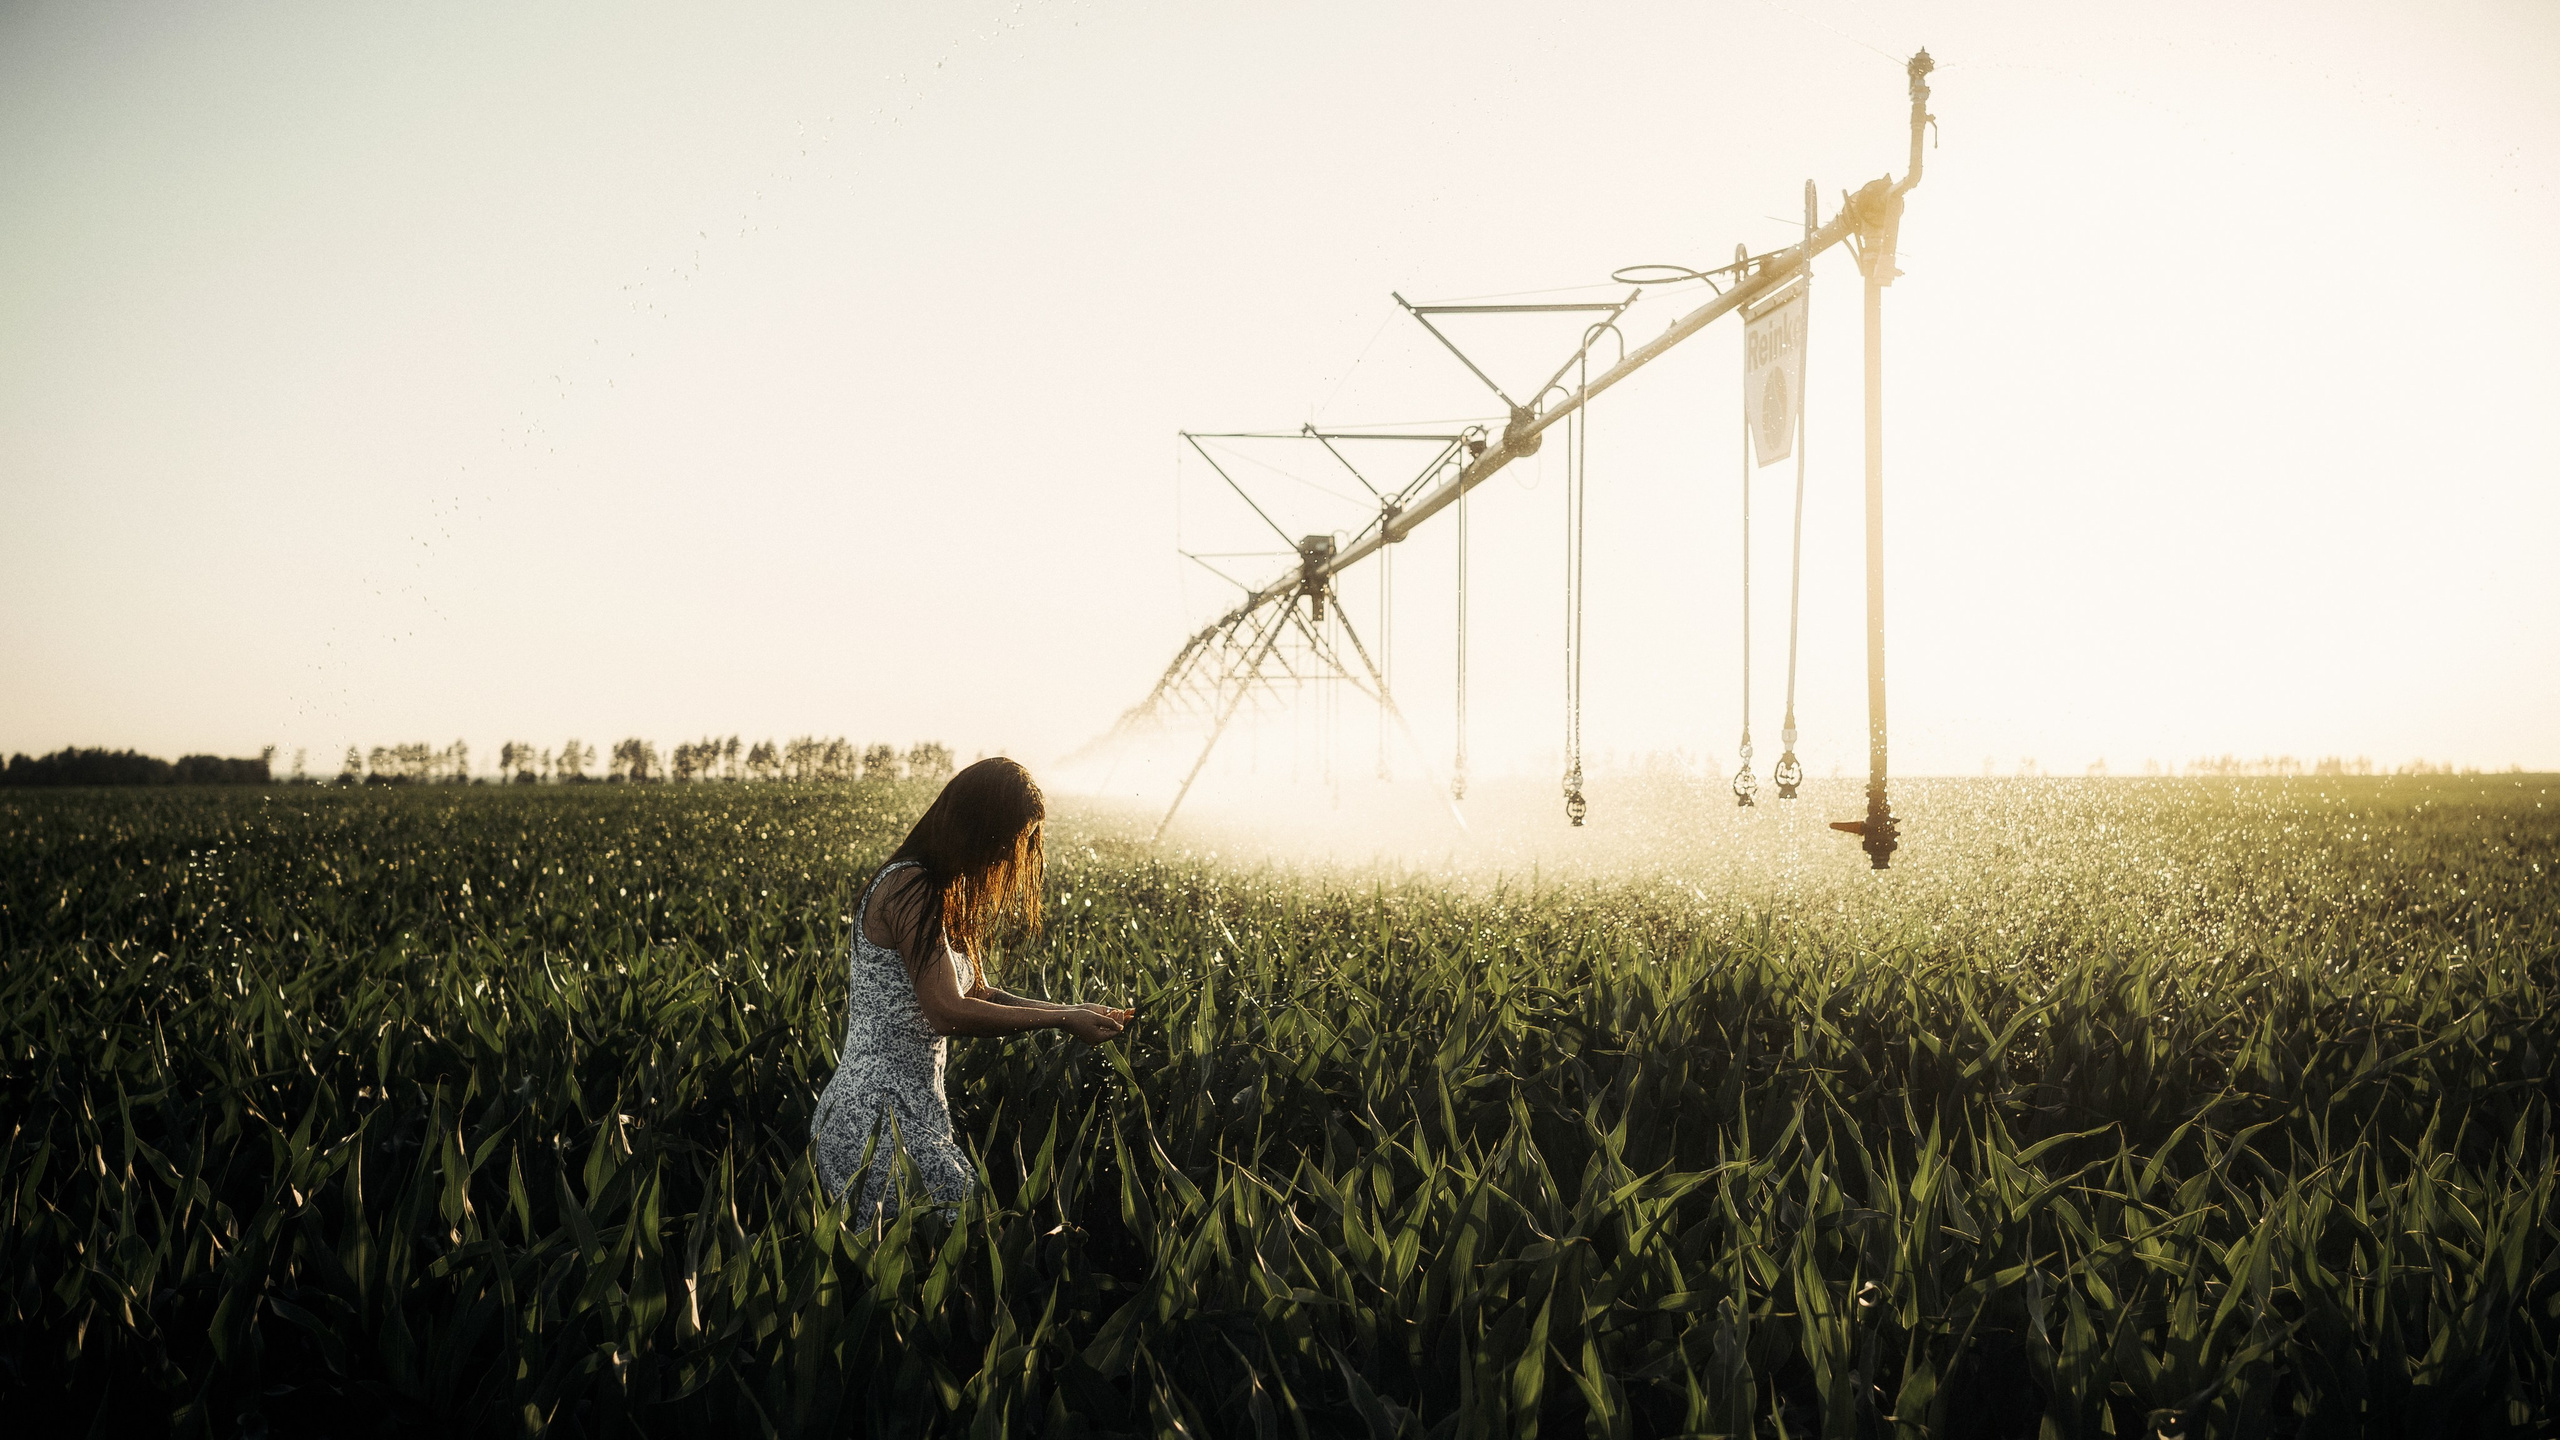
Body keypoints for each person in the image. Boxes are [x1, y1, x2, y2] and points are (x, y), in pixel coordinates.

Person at [810, 757, 1130, 1213]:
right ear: (977, 825)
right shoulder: (910, 886)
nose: (1007, 856)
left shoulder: (941, 890)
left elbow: (977, 993)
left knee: (944, 1251)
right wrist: (1062, 1019)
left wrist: (1075, 1009)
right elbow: (947, 1010)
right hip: (875, 1112)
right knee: (965, 1236)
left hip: (911, 1107)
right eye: (1006, 840)